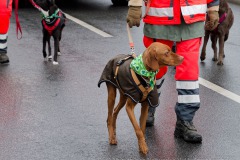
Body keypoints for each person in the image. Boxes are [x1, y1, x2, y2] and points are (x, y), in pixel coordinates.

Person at [127, 0, 219, 143]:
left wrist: (213, 8)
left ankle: (185, 121)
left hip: (192, 20)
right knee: (156, 69)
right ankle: (150, 104)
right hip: (159, 19)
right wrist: (135, 4)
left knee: (189, 73)